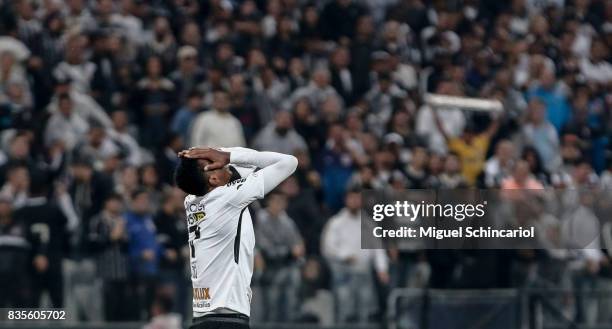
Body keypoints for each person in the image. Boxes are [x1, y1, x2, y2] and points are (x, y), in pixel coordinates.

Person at [174, 146, 298, 329]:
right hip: (227, 320)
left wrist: (215, 152)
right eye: (216, 163)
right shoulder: (228, 198)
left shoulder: (191, 200)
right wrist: (226, 154)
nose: (225, 165)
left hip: (203, 319)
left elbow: (249, 162)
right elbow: (289, 162)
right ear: (213, 178)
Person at [255, 191, 304, 322]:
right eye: (276, 201)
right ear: (268, 202)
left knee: (294, 277)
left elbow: (298, 245)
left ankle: (290, 320)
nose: (278, 205)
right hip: (266, 267)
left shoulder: (287, 221)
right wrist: (289, 251)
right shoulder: (260, 218)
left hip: (284, 266)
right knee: (270, 308)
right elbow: (266, 249)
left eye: (282, 202)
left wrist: (294, 250)